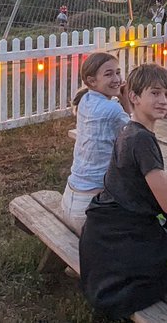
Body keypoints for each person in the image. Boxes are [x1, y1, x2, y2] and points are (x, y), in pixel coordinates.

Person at [79, 64, 167, 319]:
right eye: (155, 93)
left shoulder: (130, 130)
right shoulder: (142, 140)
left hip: (102, 230)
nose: (164, 101)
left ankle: (163, 268)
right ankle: (161, 275)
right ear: (133, 97)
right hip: (121, 236)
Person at [63, 52, 129, 230]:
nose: (117, 79)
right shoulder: (111, 108)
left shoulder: (86, 99)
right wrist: (126, 101)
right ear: (92, 81)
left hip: (70, 198)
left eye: (118, 72)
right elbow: (138, 135)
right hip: (90, 209)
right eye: (109, 74)